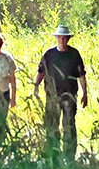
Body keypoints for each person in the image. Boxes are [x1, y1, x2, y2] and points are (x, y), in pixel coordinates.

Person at [33, 24, 87, 153]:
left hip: (70, 96)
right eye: (60, 38)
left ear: (68, 39)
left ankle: (69, 155)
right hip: (52, 96)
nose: (62, 41)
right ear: (56, 38)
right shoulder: (49, 54)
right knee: (52, 126)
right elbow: (41, 72)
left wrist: (85, 93)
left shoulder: (74, 54)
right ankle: (53, 153)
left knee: (69, 126)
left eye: (64, 38)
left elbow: (81, 75)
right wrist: (36, 87)